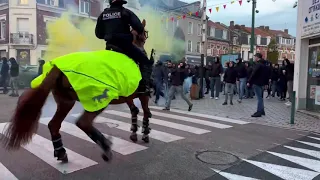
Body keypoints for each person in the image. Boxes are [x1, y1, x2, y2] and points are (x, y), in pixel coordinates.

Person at [95, 0, 153, 94]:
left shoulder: (103, 15)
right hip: (124, 46)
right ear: (122, 2)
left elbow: (98, 34)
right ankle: (143, 86)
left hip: (110, 45)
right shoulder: (126, 12)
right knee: (146, 61)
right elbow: (139, 27)